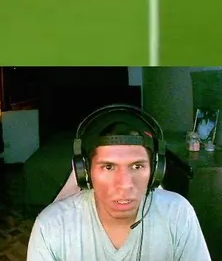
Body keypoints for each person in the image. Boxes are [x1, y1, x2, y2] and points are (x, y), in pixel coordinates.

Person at [26, 105, 211, 261]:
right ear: (85, 172)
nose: (124, 184)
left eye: (137, 166)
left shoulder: (178, 214)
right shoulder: (50, 226)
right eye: (108, 167)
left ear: (155, 171)